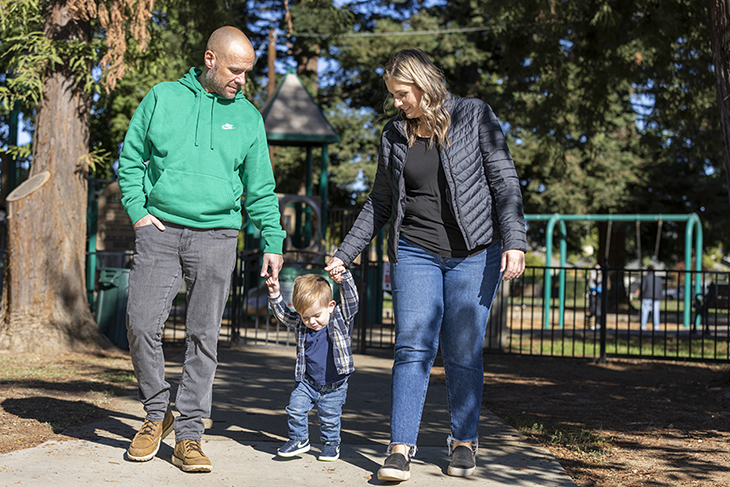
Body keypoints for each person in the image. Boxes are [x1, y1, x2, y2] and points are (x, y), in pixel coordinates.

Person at [325, 49, 527, 481]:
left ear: (423, 85)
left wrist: (515, 241)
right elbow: (380, 201)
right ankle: (400, 448)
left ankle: (464, 442)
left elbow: (504, 180)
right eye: (393, 96)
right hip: (415, 250)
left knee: (462, 349)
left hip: (475, 253)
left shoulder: (474, 115)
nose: (396, 103)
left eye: (402, 94)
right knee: (411, 347)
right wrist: (346, 252)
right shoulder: (395, 134)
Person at [117, 26, 286, 473]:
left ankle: (189, 432)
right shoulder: (162, 97)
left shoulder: (248, 117)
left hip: (217, 237)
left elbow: (262, 188)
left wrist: (272, 240)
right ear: (210, 60)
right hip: (160, 230)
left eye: (248, 73)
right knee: (139, 323)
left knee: (202, 336)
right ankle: (157, 414)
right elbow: (131, 158)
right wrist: (137, 210)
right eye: (235, 70)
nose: (242, 81)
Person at [266, 267, 359, 462]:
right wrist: (275, 294)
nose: (312, 321)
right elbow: (284, 315)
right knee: (295, 408)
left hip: (335, 384)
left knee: (329, 418)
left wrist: (344, 279)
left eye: (316, 315)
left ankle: (331, 444)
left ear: (331, 306)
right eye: (306, 316)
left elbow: (352, 302)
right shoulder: (302, 323)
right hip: (307, 381)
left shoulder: (340, 318)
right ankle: (299, 439)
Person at [636, 266, 664, 331]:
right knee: (656, 312)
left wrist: (639, 297)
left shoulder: (645, 278)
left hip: (646, 296)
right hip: (656, 297)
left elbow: (643, 288)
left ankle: (643, 326)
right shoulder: (658, 279)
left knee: (644, 312)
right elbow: (660, 289)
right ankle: (656, 327)